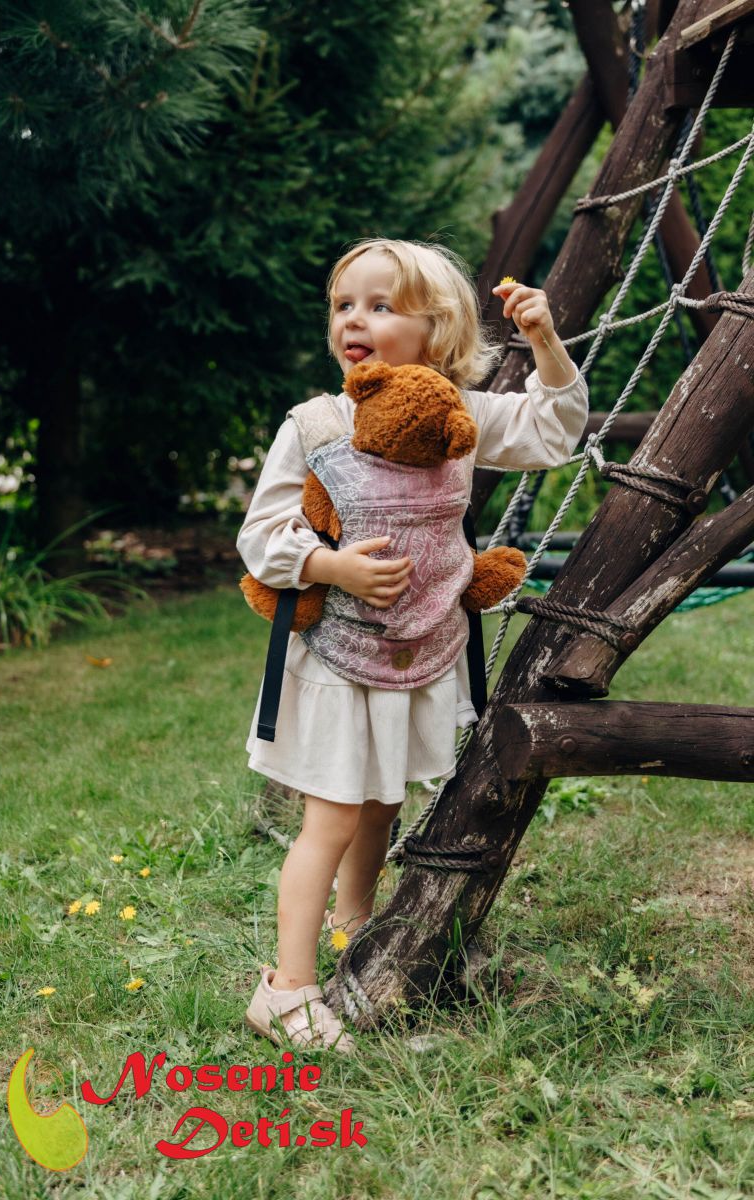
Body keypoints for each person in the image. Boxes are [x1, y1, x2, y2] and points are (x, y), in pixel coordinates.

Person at [238, 238, 588, 1053]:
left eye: (379, 305)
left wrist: (545, 341)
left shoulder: (462, 417)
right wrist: (327, 564)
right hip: (339, 660)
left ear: (438, 332)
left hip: (418, 654)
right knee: (328, 820)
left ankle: (354, 929)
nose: (353, 319)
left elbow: (553, 432)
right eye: (342, 305)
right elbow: (262, 536)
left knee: (383, 799)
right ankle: (285, 992)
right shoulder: (318, 424)